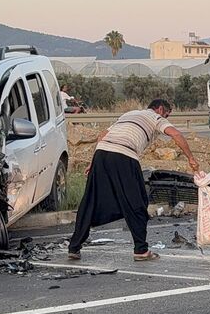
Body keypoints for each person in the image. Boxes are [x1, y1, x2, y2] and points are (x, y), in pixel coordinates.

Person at [68, 99, 199, 262]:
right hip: (124, 155)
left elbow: (102, 135)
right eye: (167, 114)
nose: (166, 118)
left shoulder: (129, 114)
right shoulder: (155, 118)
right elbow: (176, 134)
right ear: (159, 109)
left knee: (90, 201)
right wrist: (191, 158)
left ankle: (74, 247)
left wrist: (93, 162)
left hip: (101, 154)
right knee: (138, 202)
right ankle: (141, 250)